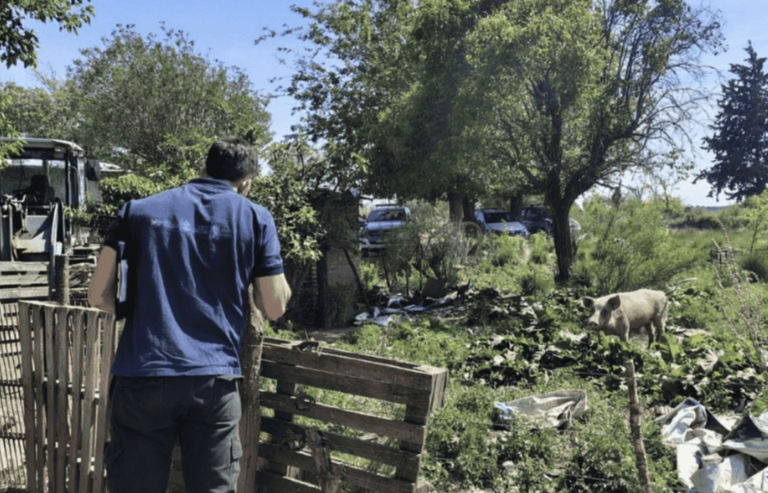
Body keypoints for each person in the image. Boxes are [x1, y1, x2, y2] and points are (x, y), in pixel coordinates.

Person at [88, 137, 291, 493]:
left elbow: (96, 295)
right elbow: (273, 307)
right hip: (214, 381)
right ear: (247, 181)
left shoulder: (136, 211)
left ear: (203, 169)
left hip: (142, 375)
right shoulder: (256, 219)